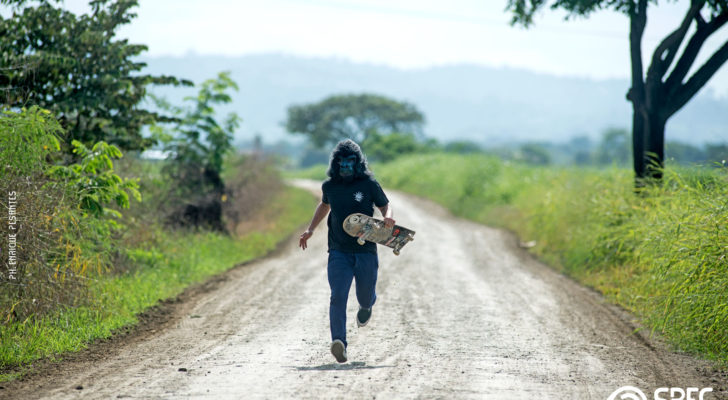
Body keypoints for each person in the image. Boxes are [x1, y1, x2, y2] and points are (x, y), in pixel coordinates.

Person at [299, 139, 394, 363]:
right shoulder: (329, 186)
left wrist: (387, 216)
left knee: (364, 294)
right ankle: (339, 341)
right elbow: (324, 205)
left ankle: (367, 304)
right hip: (338, 251)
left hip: (365, 251)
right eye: (342, 163)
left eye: (350, 162)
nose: (346, 167)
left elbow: (384, 204)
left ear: (358, 163)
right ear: (335, 163)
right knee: (338, 295)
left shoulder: (369, 184)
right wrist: (310, 229)